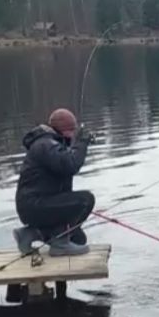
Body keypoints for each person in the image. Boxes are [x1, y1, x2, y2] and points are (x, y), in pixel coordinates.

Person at [12, 108, 95, 257]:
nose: (73, 135)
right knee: (85, 200)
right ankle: (60, 244)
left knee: (78, 238)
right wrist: (81, 142)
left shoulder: (51, 144)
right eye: (72, 131)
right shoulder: (45, 145)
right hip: (35, 206)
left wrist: (76, 145)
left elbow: (65, 164)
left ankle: (30, 234)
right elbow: (70, 165)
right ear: (64, 130)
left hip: (35, 205)